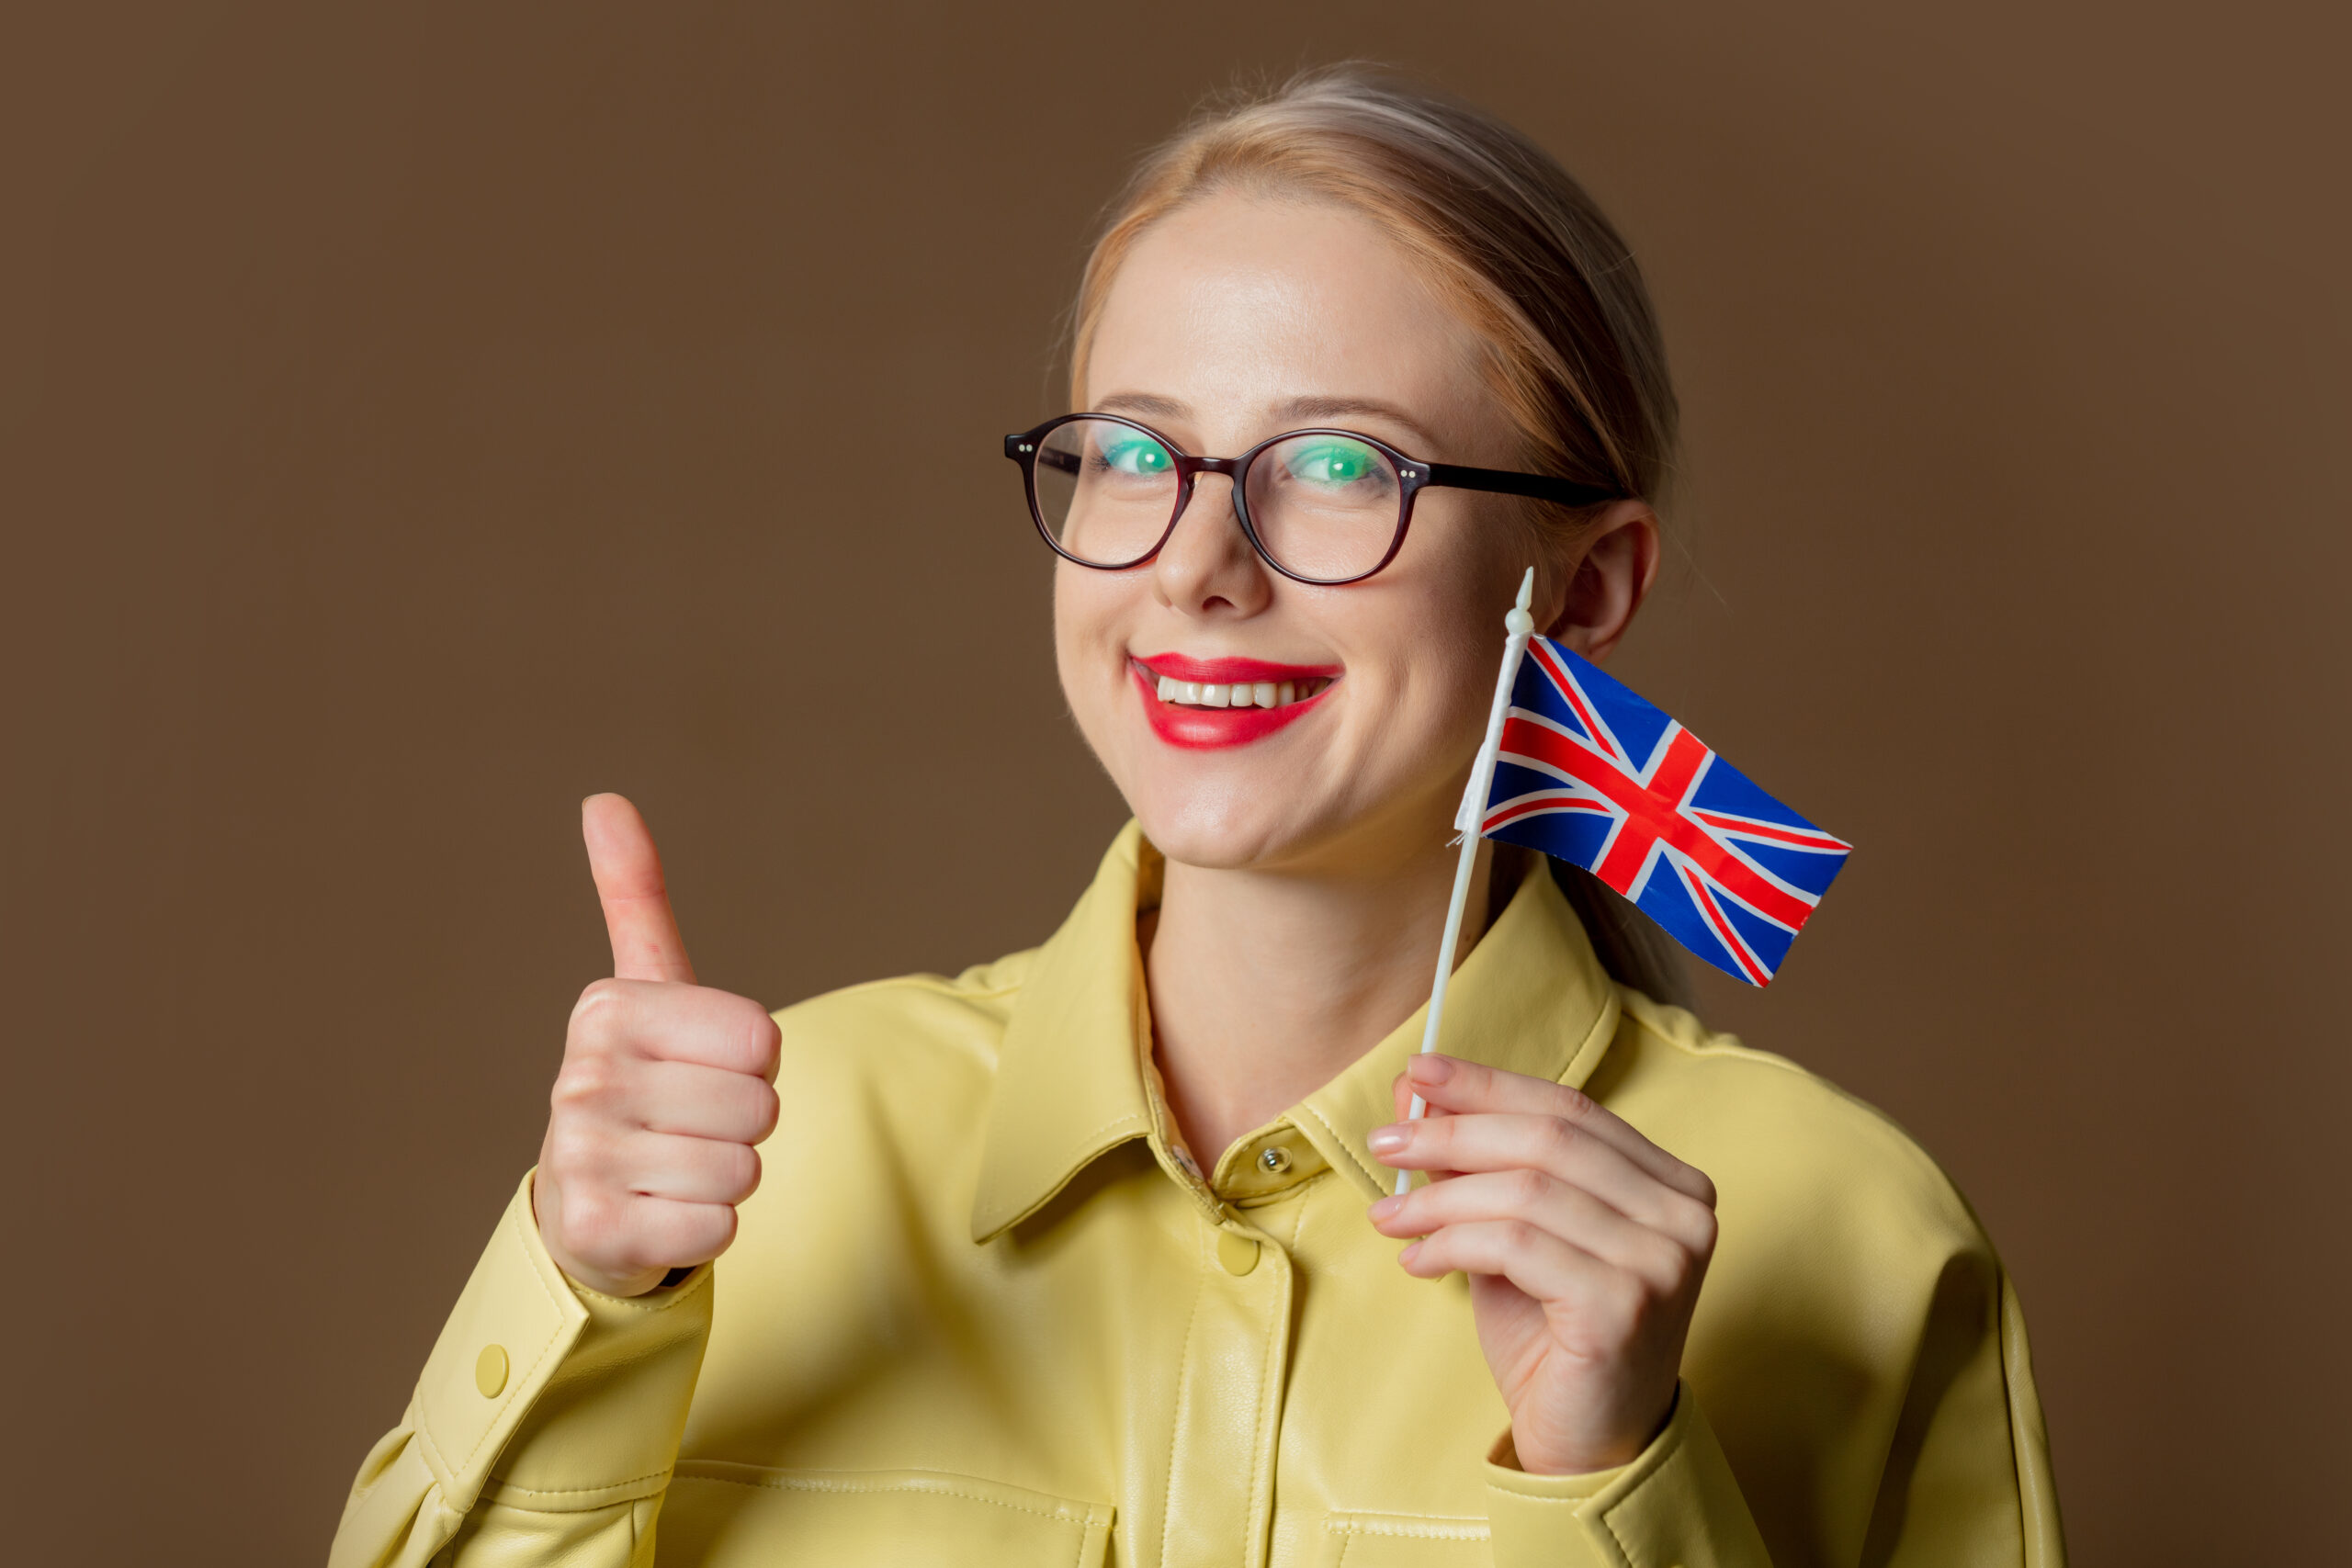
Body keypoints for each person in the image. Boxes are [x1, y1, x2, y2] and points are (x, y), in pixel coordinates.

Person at [330, 67, 2062, 1568]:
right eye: (1135, 457)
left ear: (1584, 583)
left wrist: (1611, 1481)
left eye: (1336, 468)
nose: (1197, 569)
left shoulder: (1855, 1242)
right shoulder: (756, 1161)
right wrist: (587, 1303)